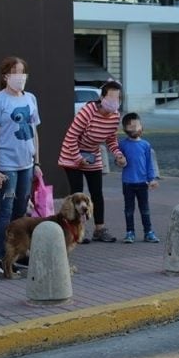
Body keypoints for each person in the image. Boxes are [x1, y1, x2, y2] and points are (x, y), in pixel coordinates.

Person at [0, 56, 42, 270]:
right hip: (6, 165)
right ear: (6, 76)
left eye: (23, 72)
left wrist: (37, 161)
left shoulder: (30, 99)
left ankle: (18, 252)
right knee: (5, 211)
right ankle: (3, 258)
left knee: (20, 211)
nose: (20, 77)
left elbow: (34, 131)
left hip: (26, 163)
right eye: (16, 72)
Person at [58, 80, 126, 243]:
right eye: (111, 98)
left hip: (92, 154)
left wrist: (118, 154)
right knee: (77, 193)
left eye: (118, 99)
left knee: (97, 193)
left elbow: (111, 139)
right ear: (102, 98)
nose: (114, 102)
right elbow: (71, 136)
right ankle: (76, 231)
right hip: (72, 154)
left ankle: (99, 229)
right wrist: (78, 158)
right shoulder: (87, 111)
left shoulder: (115, 116)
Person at [118, 112, 159, 244]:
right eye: (131, 127)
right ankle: (130, 232)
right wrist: (119, 161)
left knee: (145, 209)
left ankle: (148, 232)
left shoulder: (146, 145)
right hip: (128, 182)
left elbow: (149, 163)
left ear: (142, 127)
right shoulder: (122, 144)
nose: (135, 129)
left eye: (137, 126)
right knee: (129, 209)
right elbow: (118, 160)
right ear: (125, 129)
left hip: (142, 182)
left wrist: (152, 178)